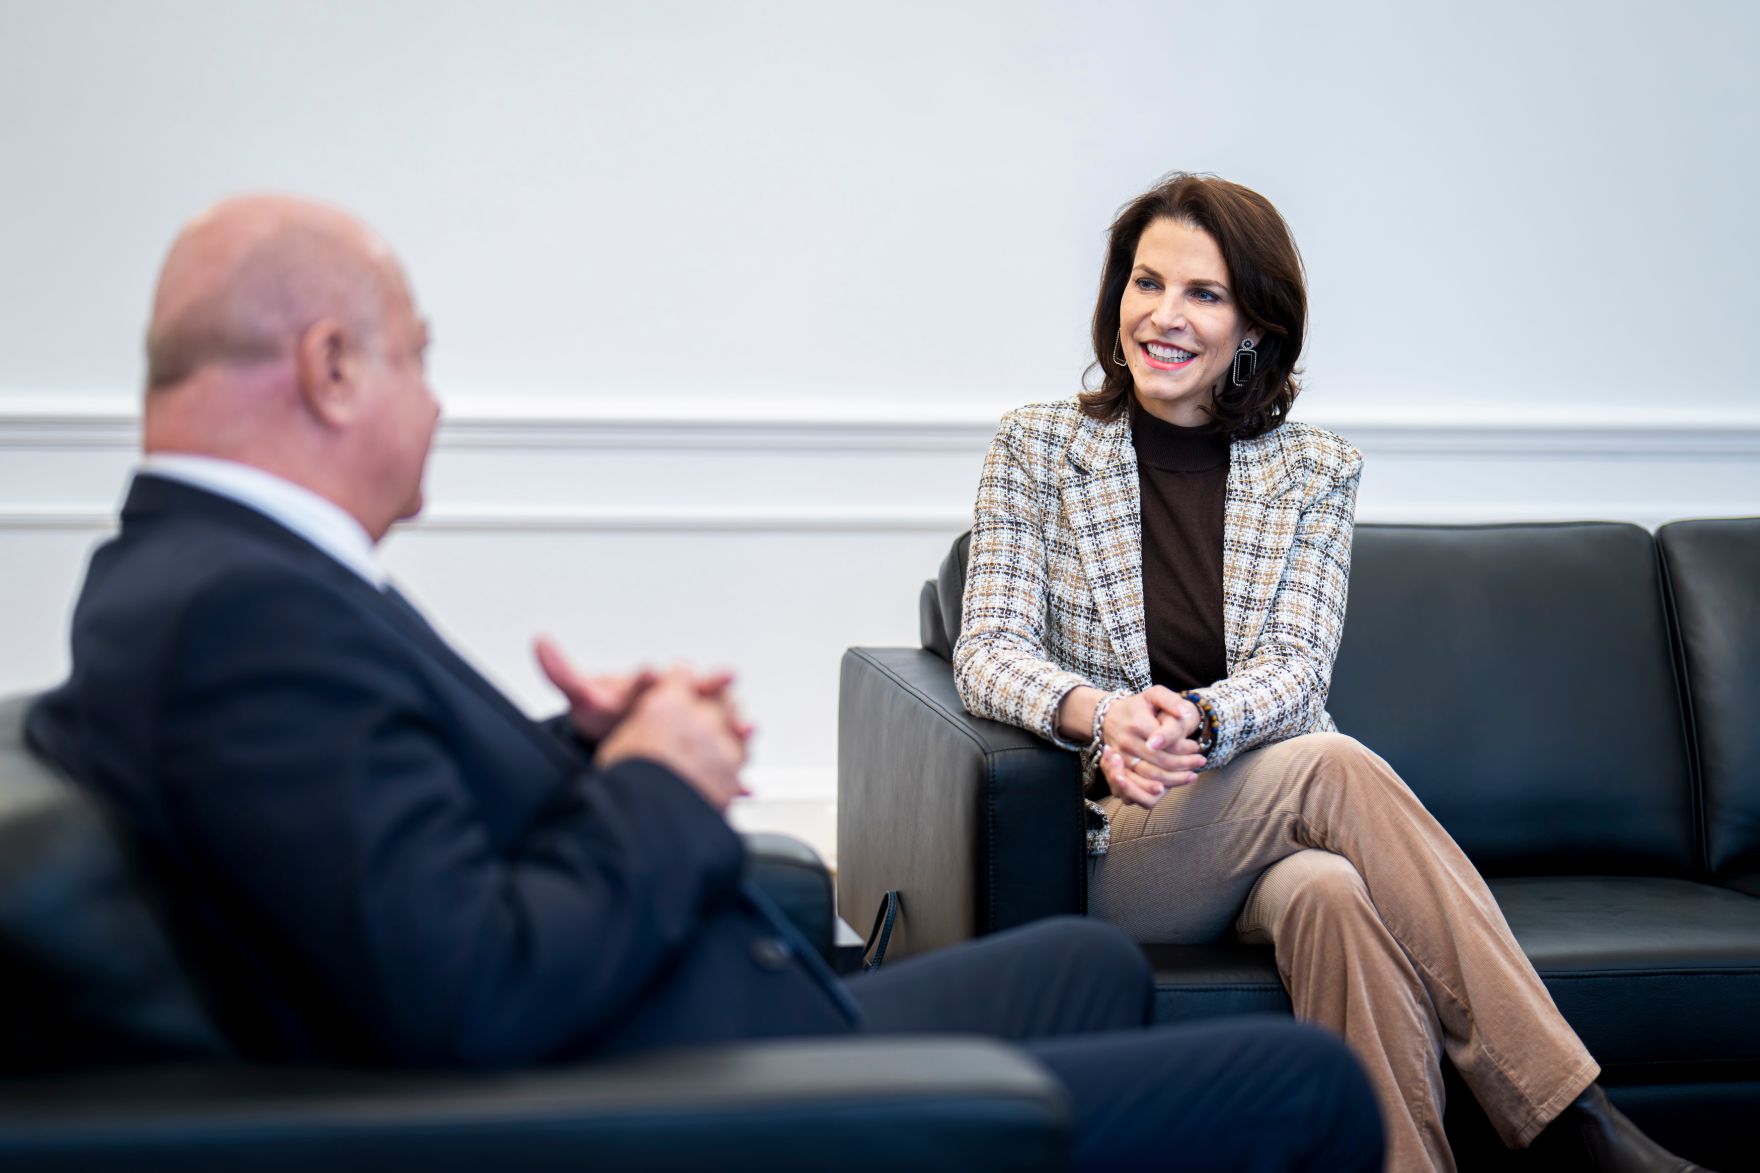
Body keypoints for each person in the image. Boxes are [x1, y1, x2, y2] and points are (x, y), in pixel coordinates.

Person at [26, 194, 1382, 1172]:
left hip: (701, 1008)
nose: (435, 402)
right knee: (1306, 1082)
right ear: (329, 370)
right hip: (678, 1083)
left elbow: (394, 837)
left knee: (1085, 965)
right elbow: (463, 993)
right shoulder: (233, 617)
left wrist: (587, 742)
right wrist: (657, 786)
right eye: (419, 358)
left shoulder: (225, 585)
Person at [954, 172, 1705, 1173]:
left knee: (1333, 896)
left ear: (1255, 328)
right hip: (1123, 845)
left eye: (1202, 294)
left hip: (1255, 824)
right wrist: (1103, 715)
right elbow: (984, 652)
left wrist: (1191, 722)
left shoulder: (1312, 468)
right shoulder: (1039, 447)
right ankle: (1574, 1123)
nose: (1161, 316)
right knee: (1334, 765)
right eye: (1146, 283)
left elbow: (1296, 667)